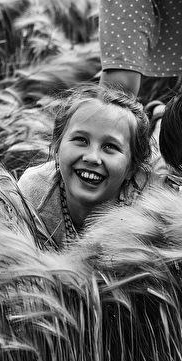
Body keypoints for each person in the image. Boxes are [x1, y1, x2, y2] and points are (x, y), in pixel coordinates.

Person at [18, 84, 151, 250]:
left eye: (110, 146)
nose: (92, 157)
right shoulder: (32, 192)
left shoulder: (149, 210)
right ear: (57, 147)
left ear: (132, 168)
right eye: (81, 140)